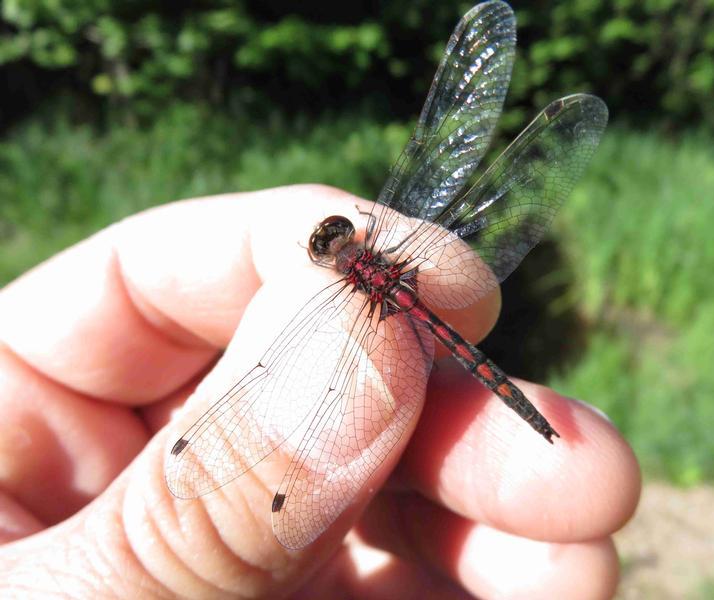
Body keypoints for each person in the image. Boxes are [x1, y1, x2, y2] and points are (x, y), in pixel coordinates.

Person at [0, 185, 640, 598]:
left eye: (333, 236)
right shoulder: (382, 255)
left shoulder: (342, 285)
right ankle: (542, 424)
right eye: (326, 241)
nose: (334, 242)